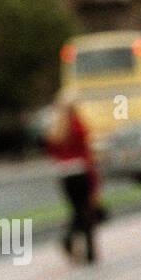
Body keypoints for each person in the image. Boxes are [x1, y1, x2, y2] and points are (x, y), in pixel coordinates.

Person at [45, 99, 102, 263]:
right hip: (81, 171)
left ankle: (72, 240)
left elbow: (52, 153)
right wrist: (95, 178)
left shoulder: (55, 130)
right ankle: (89, 250)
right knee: (87, 211)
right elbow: (87, 151)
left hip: (64, 174)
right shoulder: (77, 126)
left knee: (77, 211)